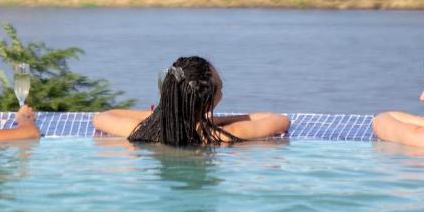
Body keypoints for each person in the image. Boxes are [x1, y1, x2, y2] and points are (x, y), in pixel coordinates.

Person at [92, 56, 289, 146]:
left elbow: (102, 117)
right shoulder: (224, 136)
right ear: (207, 104)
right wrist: (214, 121)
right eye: (220, 88)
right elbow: (280, 120)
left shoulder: (142, 131)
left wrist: (166, 113)